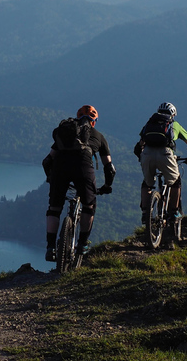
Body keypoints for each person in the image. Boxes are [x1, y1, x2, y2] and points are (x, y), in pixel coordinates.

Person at [43, 105, 115, 262]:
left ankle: (50, 247)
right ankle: (82, 244)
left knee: (54, 208)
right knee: (89, 206)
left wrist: (51, 178)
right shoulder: (99, 136)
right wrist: (107, 186)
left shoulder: (66, 135)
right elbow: (109, 168)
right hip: (83, 168)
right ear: (94, 121)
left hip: (59, 168)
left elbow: (47, 161)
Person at [134, 102, 187, 228]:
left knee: (147, 184)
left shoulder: (149, 124)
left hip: (147, 154)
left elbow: (138, 146)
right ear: (173, 114)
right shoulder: (174, 125)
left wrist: (141, 158)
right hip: (165, 154)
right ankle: (174, 212)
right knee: (176, 182)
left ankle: (145, 213)